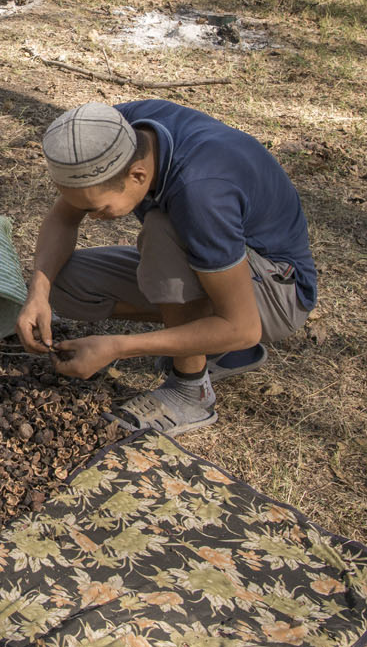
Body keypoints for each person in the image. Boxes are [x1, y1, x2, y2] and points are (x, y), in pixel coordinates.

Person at [16, 100, 317, 434]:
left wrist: (118, 347)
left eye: (98, 208)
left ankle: (191, 391)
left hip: (277, 294)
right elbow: (63, 218)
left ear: (138, 175)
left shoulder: (200, 194)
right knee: (63, 283)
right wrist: (37, 294)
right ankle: (218, 350)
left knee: (162, 230)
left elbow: (244, 327)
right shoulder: (116, 130)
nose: (95, 217)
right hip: (222, 269)